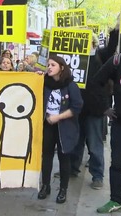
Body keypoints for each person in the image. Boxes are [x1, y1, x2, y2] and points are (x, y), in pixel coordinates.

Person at [37, 55, 83, 204]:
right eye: (48, 65)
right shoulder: (44, 82)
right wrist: (35, 77)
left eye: (53, 65)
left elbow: (77, 107)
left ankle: (63, 189)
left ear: (61, 68)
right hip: (47, 126)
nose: (49, 67)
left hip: (65, 127)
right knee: (47, 156)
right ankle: (45, 186)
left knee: (64, 158)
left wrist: (58, 117)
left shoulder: (70, 85)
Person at [95, 33, 121, 214]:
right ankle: (116, 199)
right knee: (117, 164)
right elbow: (97, 82)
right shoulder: (116, 62)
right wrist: (105, 108)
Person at [70, 34, 107, 190]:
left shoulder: (100, 57)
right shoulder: (74, 59)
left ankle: (97, 175)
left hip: (95, 110)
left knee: (94, 145)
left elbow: (111, 48)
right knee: (75, 142)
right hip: (78, 110)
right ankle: (72, 169)